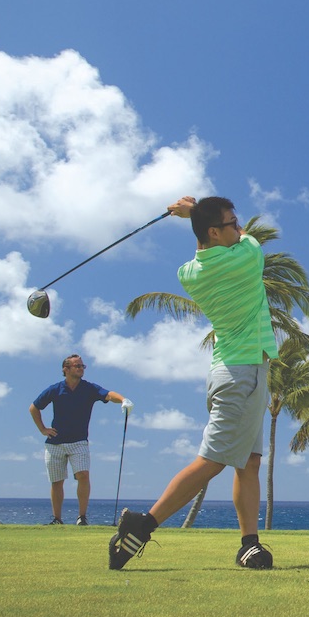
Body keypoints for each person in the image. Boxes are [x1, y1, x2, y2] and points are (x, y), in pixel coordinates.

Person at [109, 196, 279, 570]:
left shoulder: (188, 273)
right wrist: (196, 211)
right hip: (242, 374)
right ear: (216, 232)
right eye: (232, 223)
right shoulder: (246, 257)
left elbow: (205, 246)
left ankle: (248, 543)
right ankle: (142, 526)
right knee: (212, 461)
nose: (239, 228)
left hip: (234, 371)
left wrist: (196, 216)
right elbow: (249, 239)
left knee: (248, 462)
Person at [30, 355, 133, 525]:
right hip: (55, 442)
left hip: (79, 442)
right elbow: (34, 408)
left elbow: (108, 395)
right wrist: (42, 429)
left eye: (82, 366)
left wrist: (123, 400)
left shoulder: (88, 388)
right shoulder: (55, 389)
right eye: (77, 366)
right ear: (66, 369)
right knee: (57, 482)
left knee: (83, 475)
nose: (81, 368)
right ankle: (57, 519)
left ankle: (82, 517)